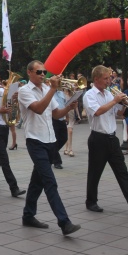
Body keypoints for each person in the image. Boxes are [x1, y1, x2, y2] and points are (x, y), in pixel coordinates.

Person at [18, 61, 81, 235]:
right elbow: (38, 109)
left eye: (44, 72)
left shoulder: (47, 89)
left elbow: (56, 114)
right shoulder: (24, 91)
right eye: (39, 72)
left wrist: (69, 107)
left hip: (50, 140)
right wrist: (53, 89)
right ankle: (64, 222)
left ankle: (28, 215)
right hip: (35, 141)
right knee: (49, 182)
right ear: (29, 72)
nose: (42, 75)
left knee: (37, 182)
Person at [84, 65, 128, 214]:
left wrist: (124, 104)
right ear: (96, 79)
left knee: (122, 171)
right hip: (98, 138)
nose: (108, 81)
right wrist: (115, 100)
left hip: (112, 138)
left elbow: (120, 113)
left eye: (109, 78)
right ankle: (91, 201)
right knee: (95, 172)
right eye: (105, 78)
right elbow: (98, 112)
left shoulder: (109, 94)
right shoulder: (89, 95)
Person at [50, 85, 68, 169]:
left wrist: (67, 116)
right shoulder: (49, 93)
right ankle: (57, 161)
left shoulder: (61, 93)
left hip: (61, 118)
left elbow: (64, 105)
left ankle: (50, 153)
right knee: (55, 140)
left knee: (64, 138)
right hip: (53, 119)